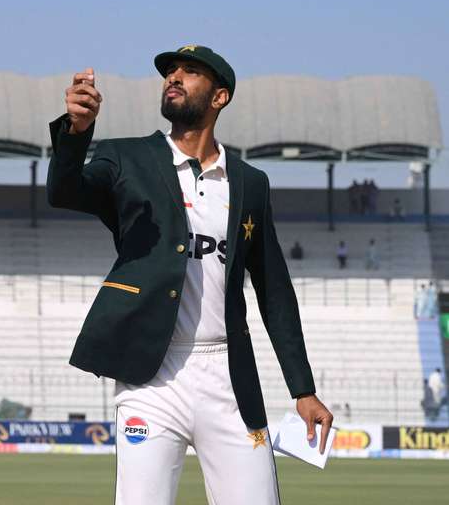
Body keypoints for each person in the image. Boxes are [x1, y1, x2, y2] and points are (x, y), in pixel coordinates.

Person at [47, 45, 332, 505]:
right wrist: (76, 132)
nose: (174, 77)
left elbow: (274, 289)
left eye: (190, 72)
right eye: (170, 71)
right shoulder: (126, 158)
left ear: (220, 96)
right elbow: (64, 192)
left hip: (228, 376)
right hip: (151, 379)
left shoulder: (251, 182)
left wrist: (304, 390)